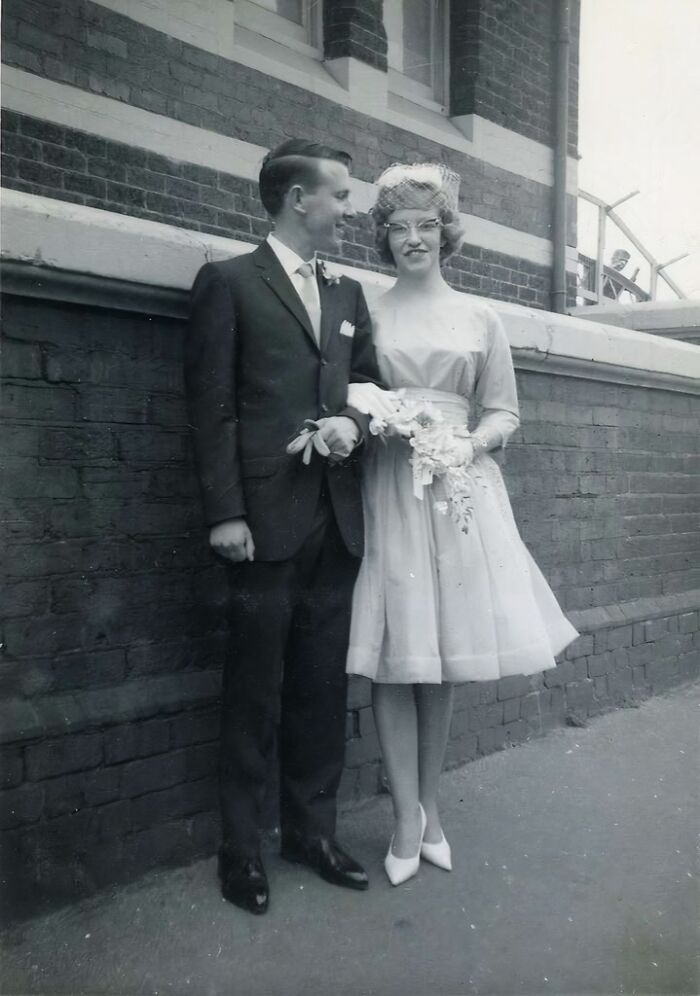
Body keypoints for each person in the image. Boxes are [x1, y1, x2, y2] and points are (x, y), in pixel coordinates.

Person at [346, 163, 578, 886]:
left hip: (456, 489)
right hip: (389, 484)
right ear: (384, 237)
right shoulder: (367, 312)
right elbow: (350, 393)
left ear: (446, 233)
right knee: (397, 648)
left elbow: (505, 410)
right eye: (399, 227)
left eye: (427, 225)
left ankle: (432, 809)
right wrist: (379, 417)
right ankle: (402, 820)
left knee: (441, 649)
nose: (413, 239)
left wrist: (469, 445)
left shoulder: (481, 318)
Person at [185, 139, 387, 915]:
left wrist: (351, 426)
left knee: (320, 685)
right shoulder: (230, 283)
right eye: (341, 194)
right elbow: (212, 409)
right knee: (253, 689)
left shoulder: (348, 294)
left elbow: (367, 385)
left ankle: (312, 833)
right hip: (262, 525)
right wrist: (226, 514)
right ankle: (241, 850)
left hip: (335, 521)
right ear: (300, 199)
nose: (350, 208)